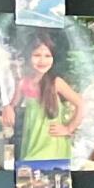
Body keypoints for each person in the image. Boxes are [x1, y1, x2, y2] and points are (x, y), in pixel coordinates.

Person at [10, 31, 81, 166]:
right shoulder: (24, 82)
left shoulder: (56, 83)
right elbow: (12, 104)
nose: (42, 60)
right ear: (28, 56)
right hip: (32, 142)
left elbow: (81, 104)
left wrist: (68, 128)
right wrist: (8, 108)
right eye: (37, 55)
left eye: (47, 55)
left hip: (52, 143)